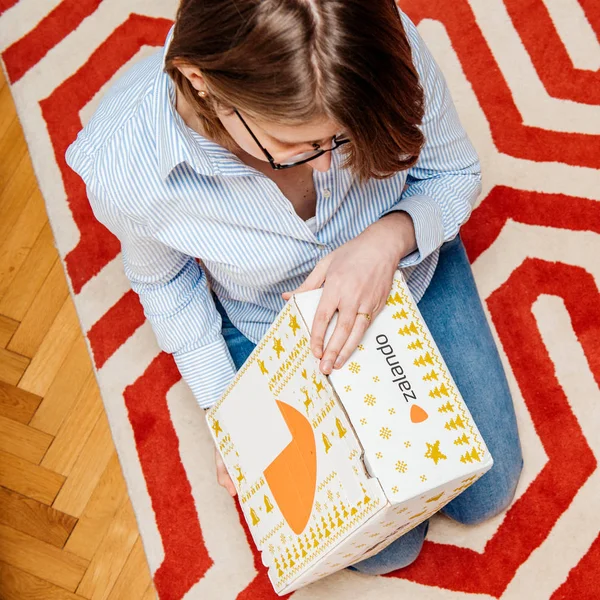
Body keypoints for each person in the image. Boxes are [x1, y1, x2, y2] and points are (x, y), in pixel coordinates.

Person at [66, 0, 523, 575]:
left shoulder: (370, 42)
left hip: (406, 269)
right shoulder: (123, 162)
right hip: (271, 319)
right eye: (301, 144)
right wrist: (225, 409)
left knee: (488, 491)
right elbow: (166, 280)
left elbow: (451, 173)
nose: (330, 169)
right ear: (201, 84)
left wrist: (388, 239)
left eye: (343, 138)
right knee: (386, 549)